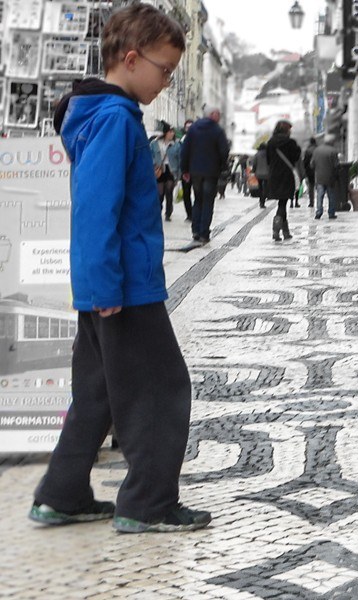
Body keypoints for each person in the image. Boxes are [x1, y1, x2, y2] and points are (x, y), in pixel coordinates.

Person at [29, 3, 211, 533]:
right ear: (131, 60)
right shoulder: (114, 119)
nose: (168, 79)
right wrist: (107, 284)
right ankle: (148, 503)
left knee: (98, 392)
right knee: (162, 388)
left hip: (103, 285)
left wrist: (94, 285)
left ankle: (61, 495)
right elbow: (95, 208)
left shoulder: (102, 115)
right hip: (124, 287)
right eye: (164, 69)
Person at [180, 106, 228, 244]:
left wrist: (185, 170)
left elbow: (185, 150)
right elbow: (224, 151)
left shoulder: (193, 129)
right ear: (212, 114)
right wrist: (223, 166)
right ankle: (204, 233)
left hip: (195, 171)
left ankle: (195, 231)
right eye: (218, 114)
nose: (219, 117)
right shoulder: (217, 130)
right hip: (211, 172)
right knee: (208, 202)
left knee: (198, 200)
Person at [266, 120, 302, 241]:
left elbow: (268, 160)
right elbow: (296, 157)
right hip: (286, 175)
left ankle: (286, 232)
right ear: (287, 130)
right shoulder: (290, 143)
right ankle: (276, 230)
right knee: (283, 202)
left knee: (282, 202)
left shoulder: (270, 143)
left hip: (274, 176)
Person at [150, 121, 179, 221]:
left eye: (173, 132)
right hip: (159, 170)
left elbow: (179, 159)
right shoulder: (154, 143)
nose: (172, 134)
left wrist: (178, 175)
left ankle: (168, 213)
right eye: (170, 132)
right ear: (165, 133)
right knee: (159, 193)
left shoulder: (176, 145)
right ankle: (158, 211)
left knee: (169, 191)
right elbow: (150, 155)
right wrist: (154, 164)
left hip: (171, 170)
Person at [312, 134, 340, 220]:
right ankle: (331, 213)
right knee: (331, 195)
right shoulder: (333, 151)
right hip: (330, 177)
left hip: (319, 177)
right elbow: (336, 165)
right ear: (332, 142)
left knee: (319, 195)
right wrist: (337, 175)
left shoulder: (317, 150)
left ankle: (318, 212)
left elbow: (312, 164)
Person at [177, 119, 194, 221]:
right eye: (187, 127)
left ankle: (195, 213)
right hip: (185, 171)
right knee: (186, 193)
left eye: (191, 127)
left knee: (197, 193)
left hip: (196, 170)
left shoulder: (198, 140)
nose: (189, 129)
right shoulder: (182, 140)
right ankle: (189, 214)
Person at [253, 142, 269, 208]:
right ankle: (263, 201)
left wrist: (254, 170)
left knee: (260, 188)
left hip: (258, 173)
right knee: (265, 188)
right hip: (267, 174)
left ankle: (260, 201)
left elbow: (254, 164)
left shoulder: (257, 154)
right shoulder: (268, 154)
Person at [302, 137, 317, 208]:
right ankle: (320, 202)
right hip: (318, 170)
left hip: (310, 170)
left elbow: (305, 162)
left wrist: (305, 171)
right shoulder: (318, 149)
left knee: (311, 186)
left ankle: (311, 202)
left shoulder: (307, 151)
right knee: (320, 186)